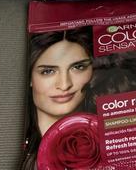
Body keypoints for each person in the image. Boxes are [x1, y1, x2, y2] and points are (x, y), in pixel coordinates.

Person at [20, 28, 93, 170]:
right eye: (48, 71)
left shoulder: (115, 138)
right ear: (29, 78)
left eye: (78, 67)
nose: (64, 85)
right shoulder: (9, 146)